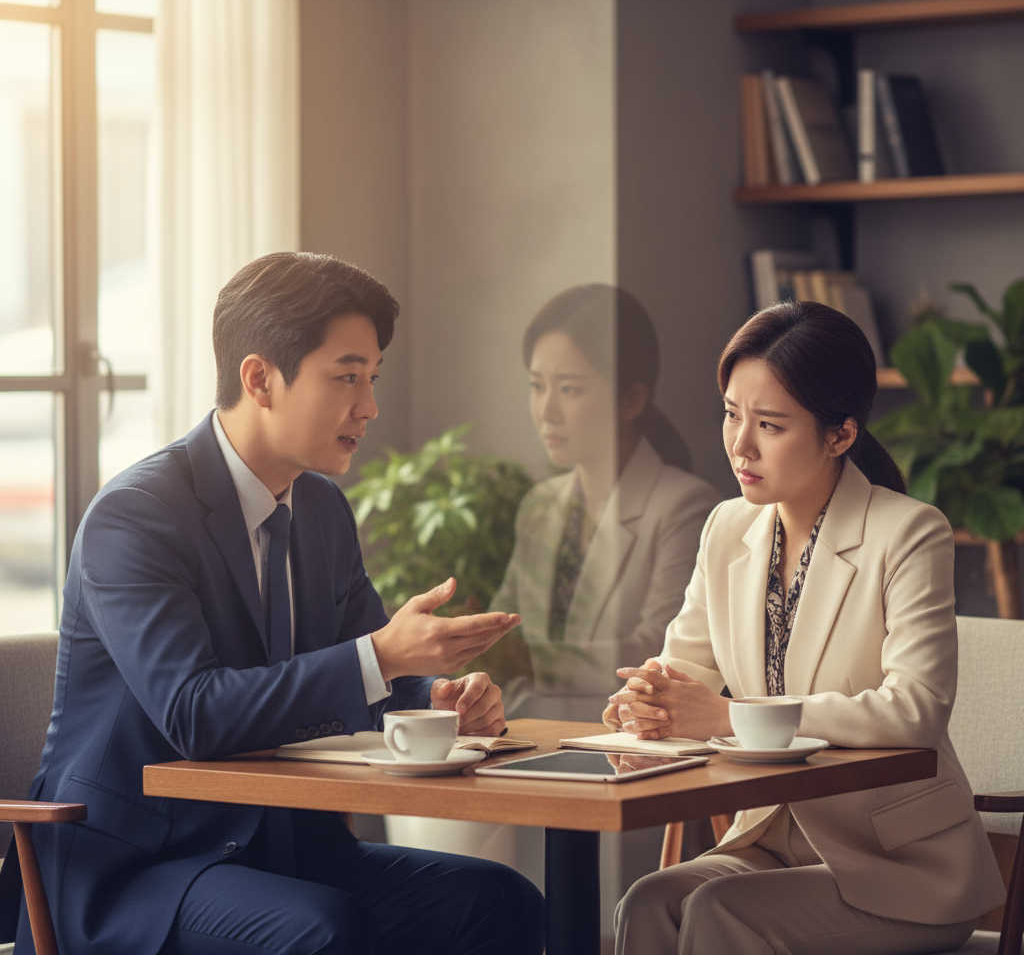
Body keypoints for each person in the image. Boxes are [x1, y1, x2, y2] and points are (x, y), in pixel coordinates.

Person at [0, 252, 544, 955]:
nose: (369, 407)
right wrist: (383, 657)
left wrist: (437, 694)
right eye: (347, 376)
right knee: (326, 931)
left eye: (371, 379)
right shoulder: (134, 517)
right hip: (138, 872)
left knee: (498, 901)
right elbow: (194, 713)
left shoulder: (321, 510)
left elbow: (370, 669)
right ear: (259, 379)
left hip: (286, 851)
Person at [607, 300, 1005, 955]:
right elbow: (685, 674)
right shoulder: (726, 527)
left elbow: (914, 712)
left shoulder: (907, 532)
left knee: (720, 912)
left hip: (901, 868)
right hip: (771, 842)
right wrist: (643, 710)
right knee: (648, 901)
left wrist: (727, 717)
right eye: (733, 414)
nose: (740, 444)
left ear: (840, 434)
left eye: (770, 424)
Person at [491, 284, 720, 719]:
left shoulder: (684, 506)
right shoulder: (539, 506)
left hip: (622, 740)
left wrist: (525, 661)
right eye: (537, 387)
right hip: (519, 738)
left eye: (569, 390)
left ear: (631, 399)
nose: (546, 411)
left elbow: (656, 654)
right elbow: (503, 639)